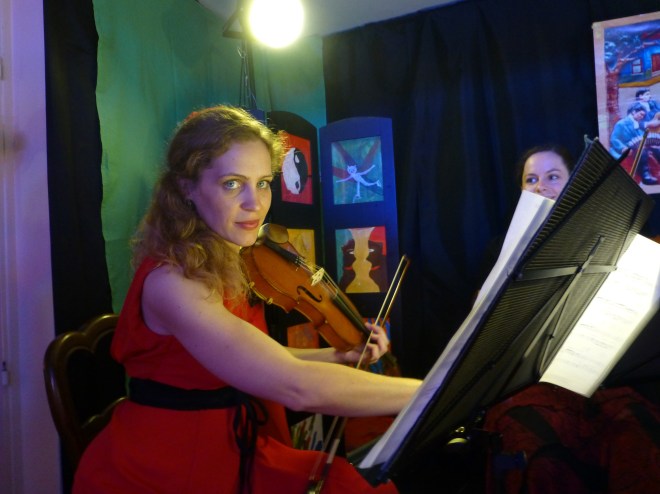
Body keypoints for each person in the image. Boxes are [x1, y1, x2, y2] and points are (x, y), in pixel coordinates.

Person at [73, 105, 422, 494]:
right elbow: (295, 386)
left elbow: (257, 359)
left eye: (263, 182)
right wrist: (429, 392)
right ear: (187, 188)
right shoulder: (173, 282)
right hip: (169, 464)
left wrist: (338, 355)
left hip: (231, 442)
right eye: (232, 184)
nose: (255, 203)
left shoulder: (224, 258)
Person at [609, 102, 659, 185]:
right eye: (641, 114)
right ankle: (645, 175)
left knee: (656, 149)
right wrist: (622, 148)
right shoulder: (621, 123)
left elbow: (641, 137)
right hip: (624, 150)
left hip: (635, 148)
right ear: (633, 112)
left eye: (643, 116)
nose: (642, 117)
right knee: (642, 150)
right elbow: (614, 139)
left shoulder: (637, 125)